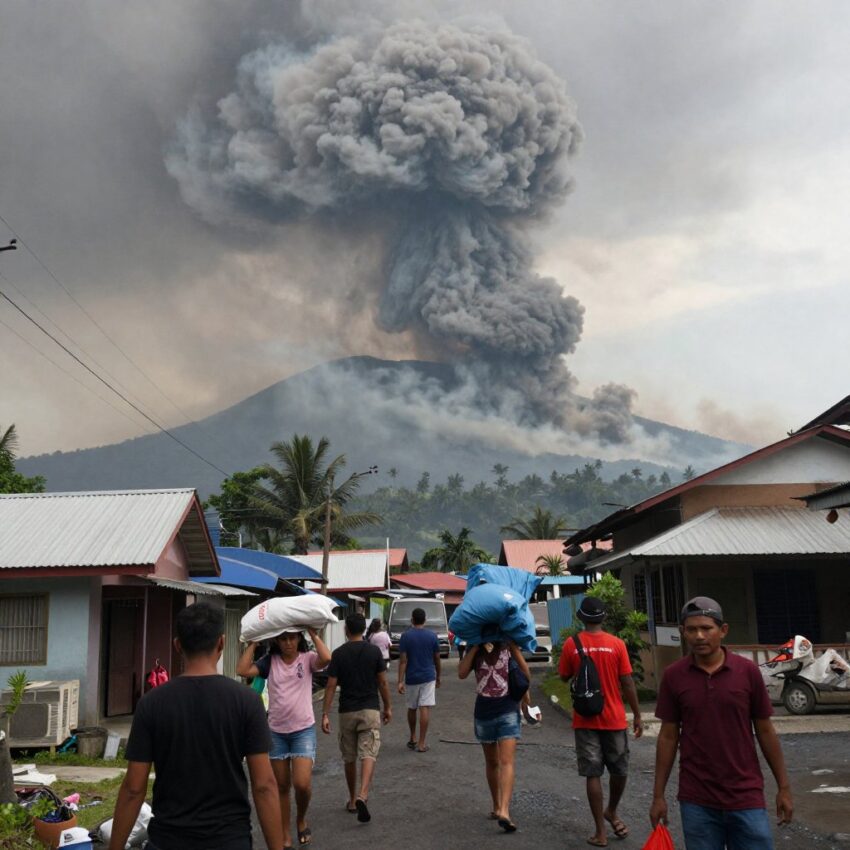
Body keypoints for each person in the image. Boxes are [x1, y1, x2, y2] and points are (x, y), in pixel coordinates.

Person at [108, 602, 284, 850]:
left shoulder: (152, 704)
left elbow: (133, 789)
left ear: (177, 645)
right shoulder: (246, 701)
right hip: (229, 840)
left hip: (168, 841)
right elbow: (264, 785)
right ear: (221, 643)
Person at [650, 596, 793, 850]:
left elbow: (765, 730)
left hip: (746, 795)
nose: (700, 636)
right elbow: (668, 737)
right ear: (683, 633)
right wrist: (658, 796)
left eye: (707, 628)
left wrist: (783, 787)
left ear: (723, 631)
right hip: (697, 799)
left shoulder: (747, 672)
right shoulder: (674, 677)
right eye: (692, 629)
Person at [558, 597, 642, 847]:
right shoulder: (617, 644)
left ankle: (600, 832)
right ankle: (612, 810)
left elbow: (563, 677)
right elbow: (627, 682)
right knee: (620, 769)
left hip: (585, 719)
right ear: (604, 618)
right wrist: (636, 714)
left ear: (581, 618)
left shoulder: (571, 645)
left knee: (592, 773)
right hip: (614, 718)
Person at [237, 627, 331, 849]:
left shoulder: (307, 659)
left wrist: (313, 633)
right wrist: (254, 643)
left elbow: (326, 658)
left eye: (292, 638)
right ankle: (284, 832)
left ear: (299, 638)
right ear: (276, 641)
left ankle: (301, 819)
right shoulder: (269, 662)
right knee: (281, 787)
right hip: (276, 732)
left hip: (303, 731)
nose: (288, 643)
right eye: (283, 638)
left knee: (302, 784)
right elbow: (242, 670)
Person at [321, 612, 392, 824]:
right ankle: (363, 794)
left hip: (347, 711)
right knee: (368, 752)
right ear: (364, 629)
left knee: (349, 757)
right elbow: (382, 683)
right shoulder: (373, 652)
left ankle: (352, 800)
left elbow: (331, 685)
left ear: (346, 630)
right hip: (369, 709)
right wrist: (388, 706)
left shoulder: (339, 654)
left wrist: (325, 713)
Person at [458, 639, 531, 833]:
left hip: (507, 710)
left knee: (506, 761)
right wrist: (474, 646)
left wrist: (514, 647)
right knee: (492, 762)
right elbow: (461, 673)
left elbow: (525, 673)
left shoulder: (508, 646)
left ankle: (505, 811)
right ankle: (496, 805)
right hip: (483, 714)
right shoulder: (476, 649)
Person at [397, 607, 441, 752]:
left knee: (412, 707)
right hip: (428, 676)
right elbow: (437, 659)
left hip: (412, 677)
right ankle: (422, 743)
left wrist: (400, 680)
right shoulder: (432, 636)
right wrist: (438, 676)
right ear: (425, 620)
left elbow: (403, 661)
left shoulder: (406, 636)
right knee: (425, 708)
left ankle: (412, 737)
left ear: (412, 620)